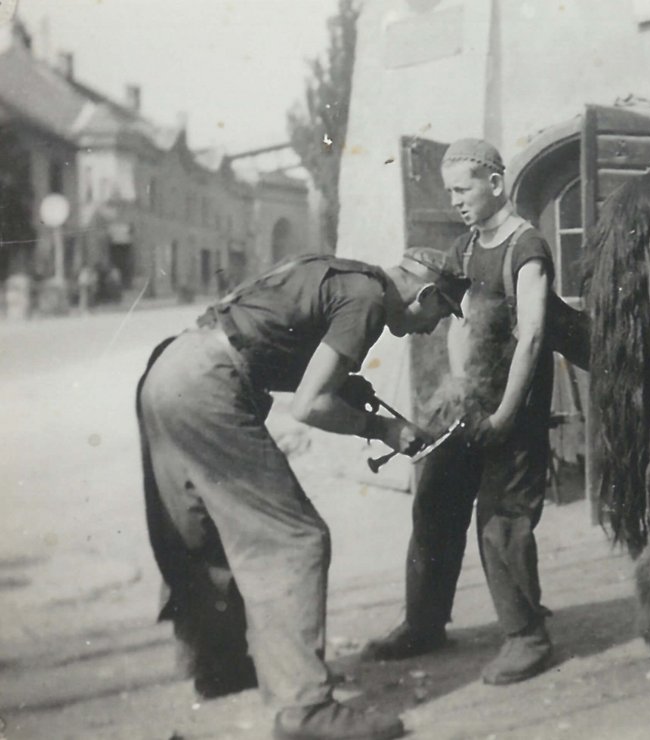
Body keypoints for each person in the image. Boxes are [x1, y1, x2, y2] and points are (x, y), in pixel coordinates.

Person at [137, 248, 469, 740]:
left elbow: (264, 335)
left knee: (201, 525)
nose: (432, 329)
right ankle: (305, 711)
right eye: (441, 313)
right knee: (294, 539)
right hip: (208, 383)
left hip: (170, 367)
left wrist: (340, 389)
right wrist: (383, 429)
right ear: (425, 294)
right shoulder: (370, 299)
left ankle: (219, 666)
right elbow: (310, 408)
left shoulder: (341, 271)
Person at [364, 139, 557, 686]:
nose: (455, 202)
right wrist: (459, 390)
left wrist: (504, 415)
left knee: (502, 519)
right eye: (448, 191)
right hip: (468, 403)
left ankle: (527, 636)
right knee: (435, 501)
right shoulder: (467, 248)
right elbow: (457, 320)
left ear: (495, 184)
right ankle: (423, 624)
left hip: (511, 407)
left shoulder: (527, 247)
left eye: (462, 189)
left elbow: (534, 336)